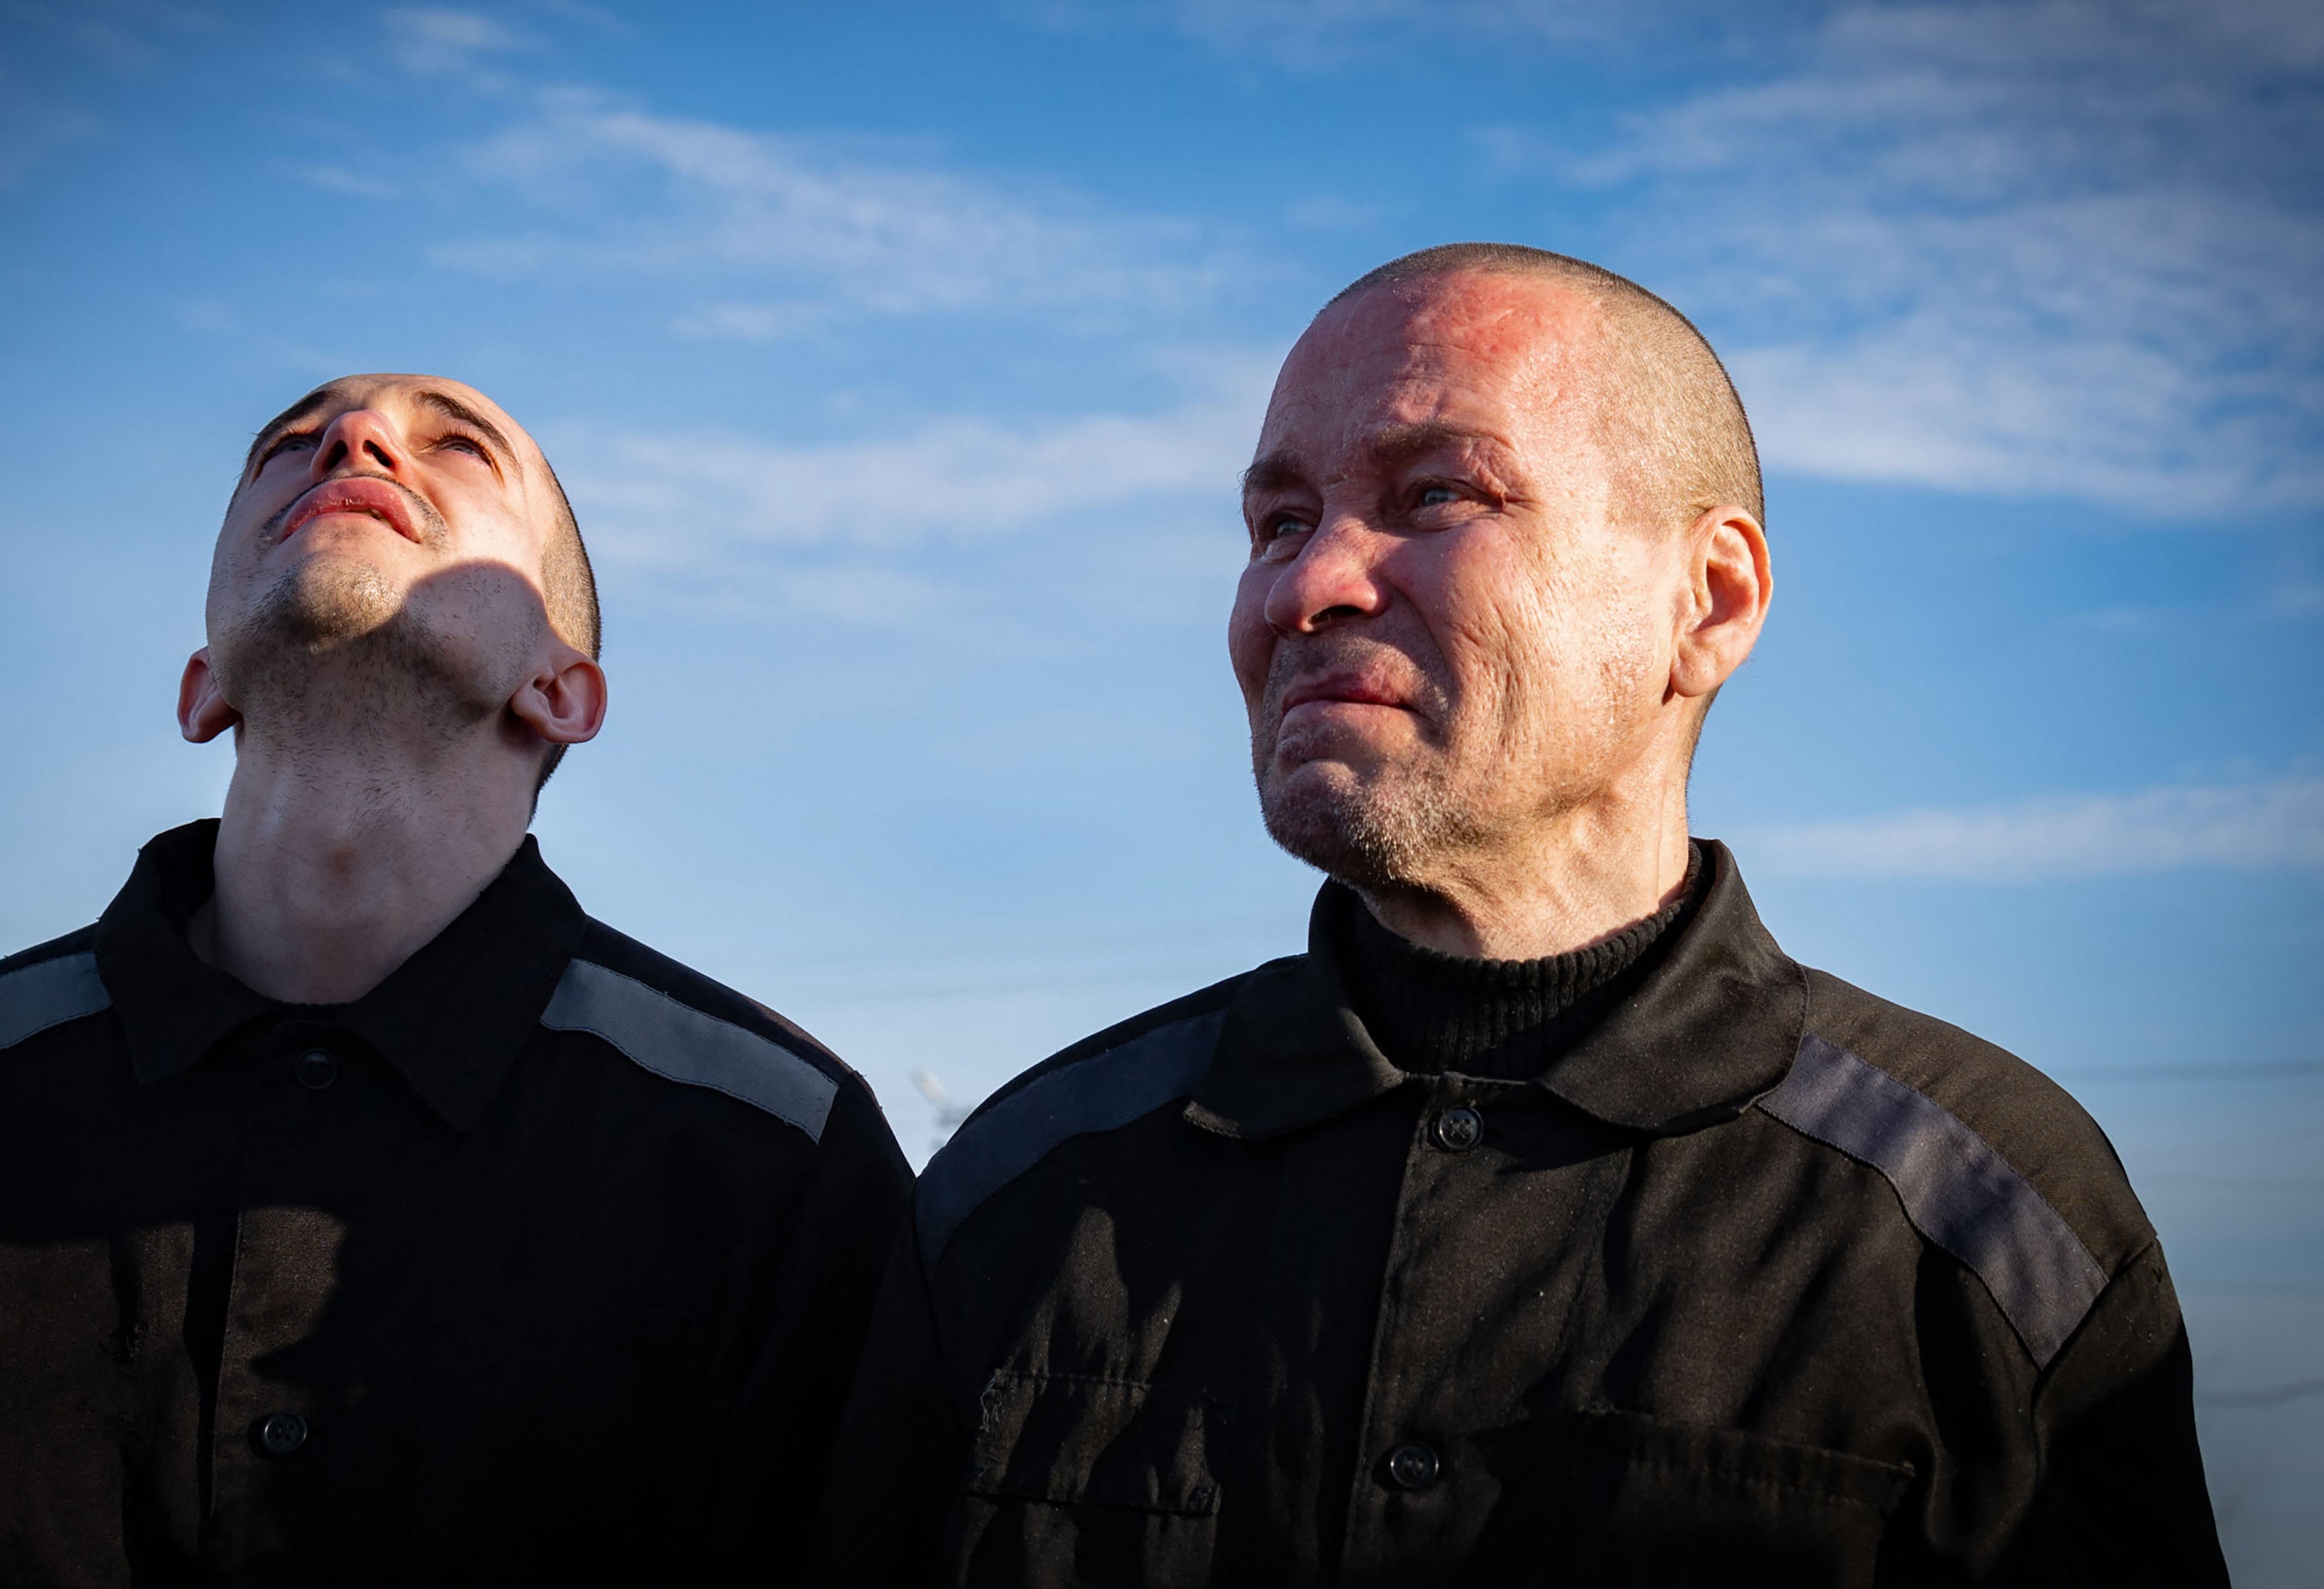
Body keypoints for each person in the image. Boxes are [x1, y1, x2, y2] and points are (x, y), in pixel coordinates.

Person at [817, 247, 2230, 1587]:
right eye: (1276, 521)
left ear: (1708, 598)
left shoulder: (1984, 1231)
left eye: (1437, 495)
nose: (1304, 585)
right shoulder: (1027, 1189)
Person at [0, 375, 911, 1584]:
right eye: (288, 447)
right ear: (205, 686)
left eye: (457, 446)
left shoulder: (780, 1160)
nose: (351, 442)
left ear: (561, 691)